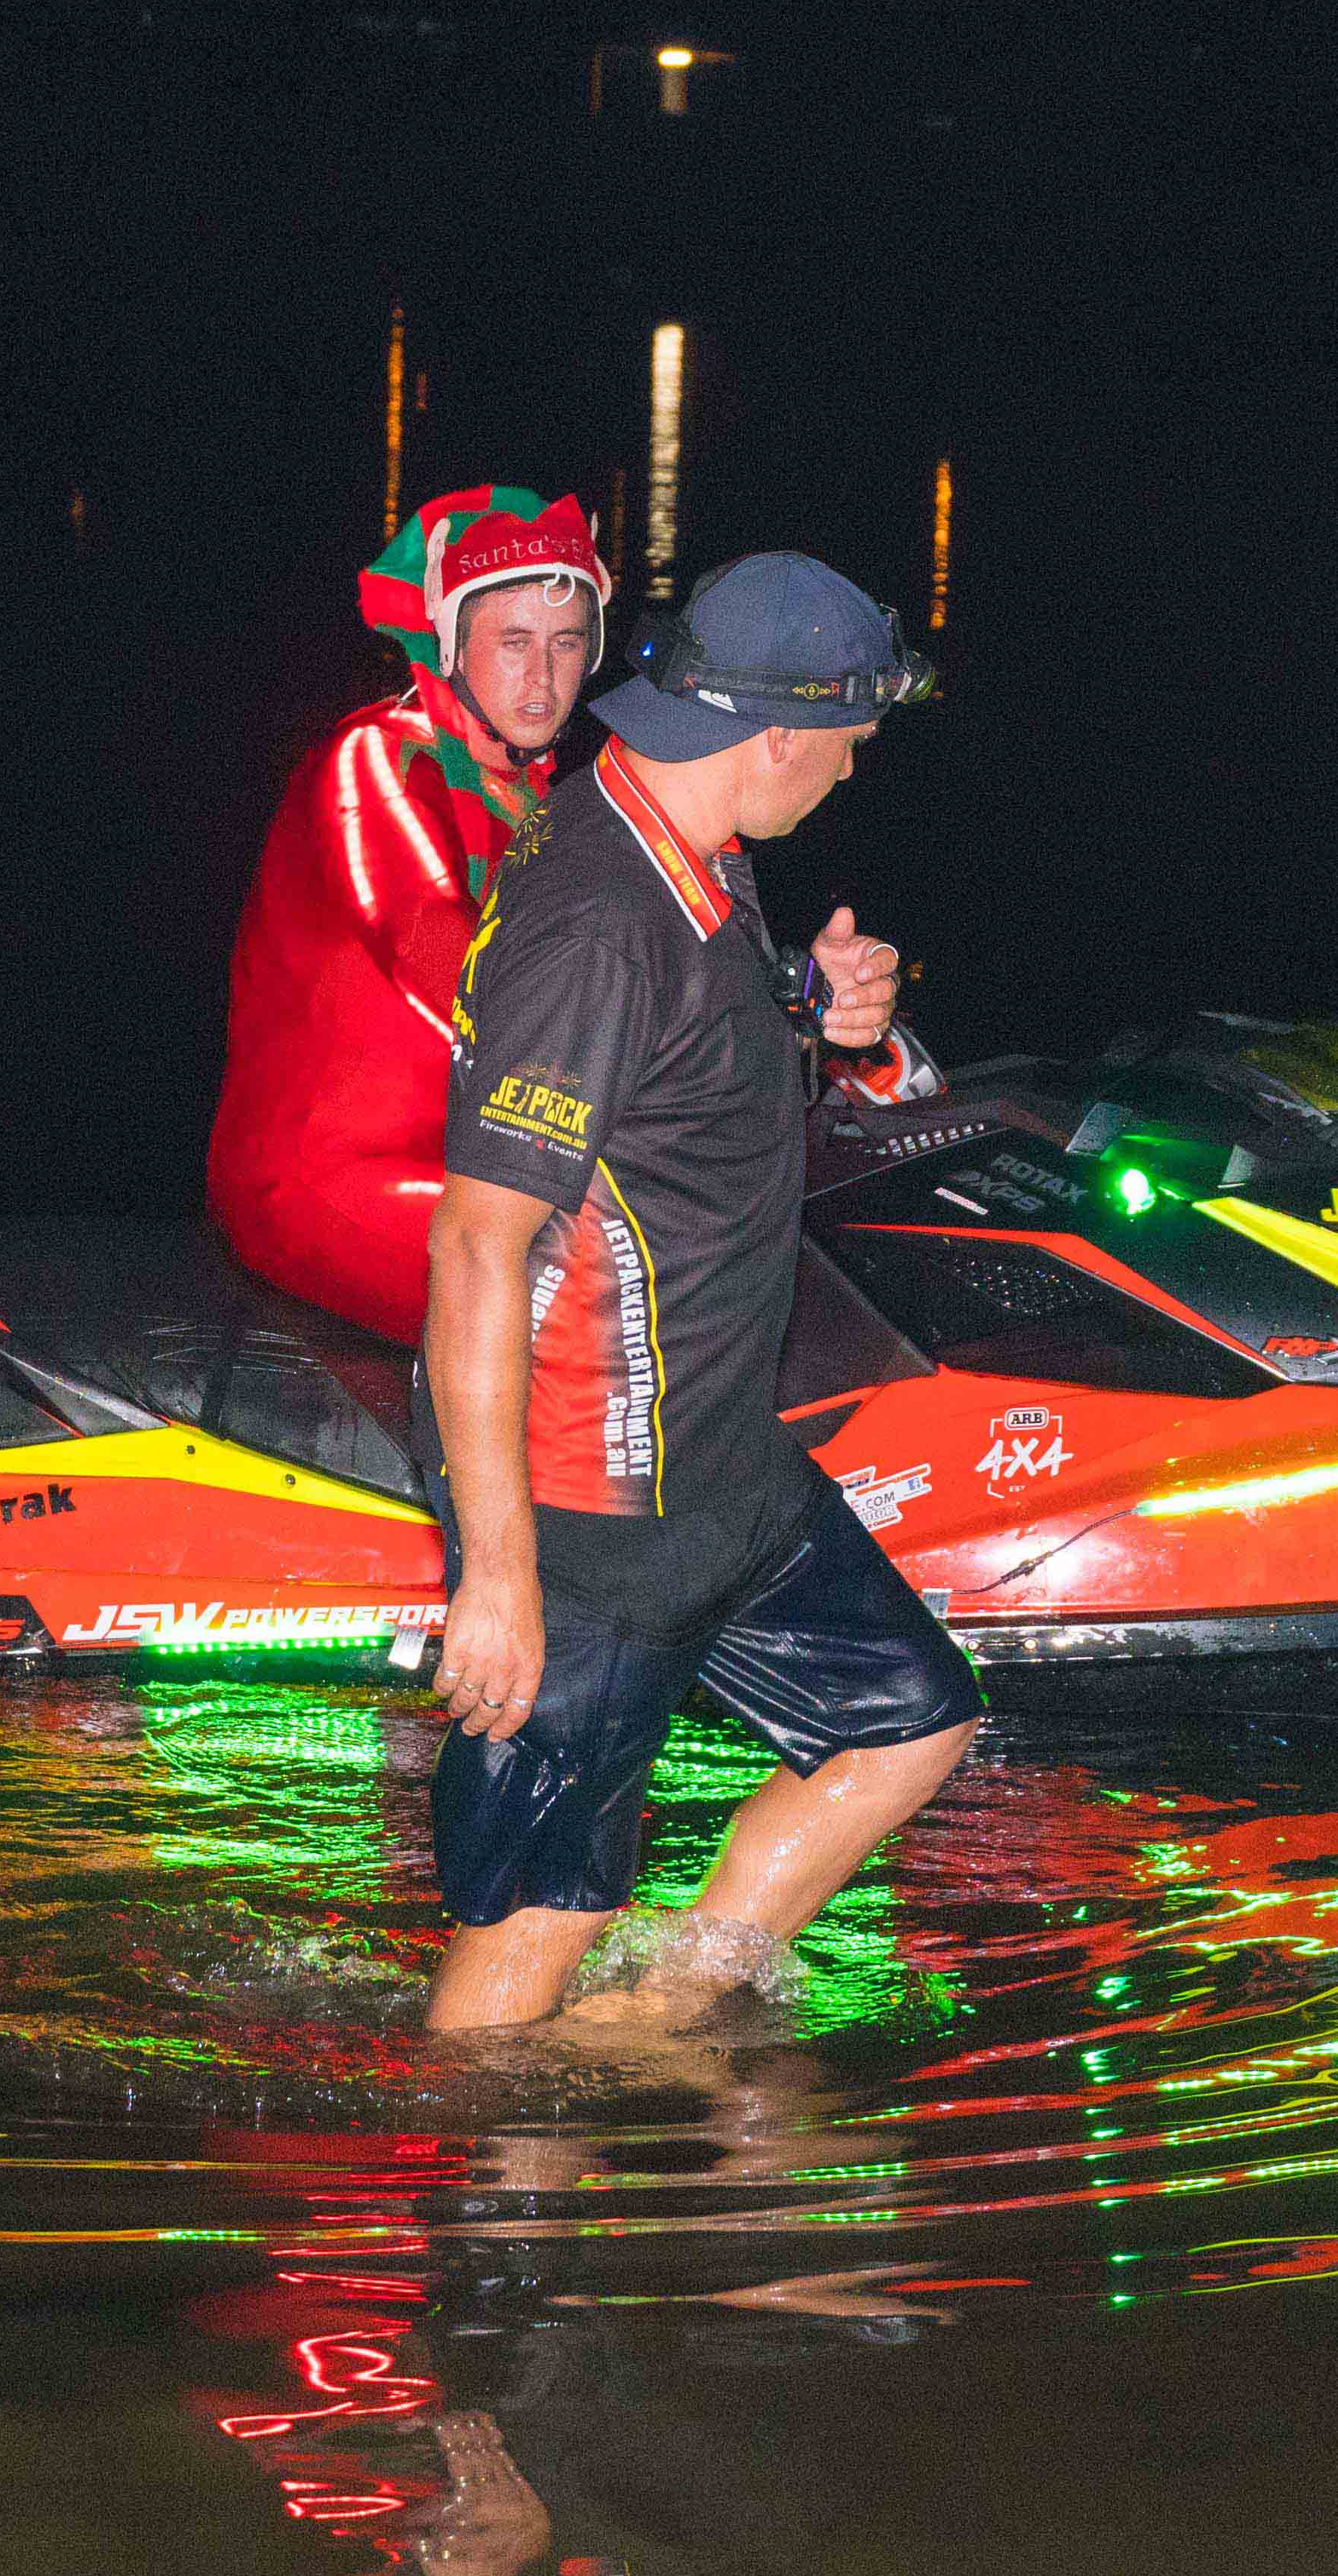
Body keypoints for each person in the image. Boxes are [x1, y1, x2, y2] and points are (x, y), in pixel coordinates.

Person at [416, 553, 983, 2033]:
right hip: (593, 1513)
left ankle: (643, 2033)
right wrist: (498, 1571)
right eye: (853, 736)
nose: (857, 768)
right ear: (779, 734)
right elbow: (478, 1244)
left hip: (721, 1469)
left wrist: (813, 1007)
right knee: (539, 1915)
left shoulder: (688, 843)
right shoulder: (600, 920)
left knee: (909, 1727)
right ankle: (466, 2211)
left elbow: (672, 1073)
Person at [207, 486, 613, 1339]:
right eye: (511, 642)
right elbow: (444, 952)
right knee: (615, 1291)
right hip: (335, 1173)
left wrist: (787, 998)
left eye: (565, 643)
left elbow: (634, 943)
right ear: (451, 641)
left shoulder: (539, 801)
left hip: (491, 1160)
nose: (541, 679)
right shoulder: (373, 761)